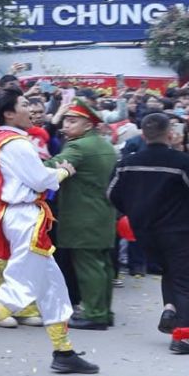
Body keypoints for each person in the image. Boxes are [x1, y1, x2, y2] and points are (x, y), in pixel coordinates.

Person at [0, 89, 96, 374]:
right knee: (21, 285)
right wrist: (64, 170)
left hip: (13, 217)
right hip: (26, 217)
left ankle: (63, 351)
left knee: (52, 286)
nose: (31, 110)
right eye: (25, 105)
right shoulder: (18, 143)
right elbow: (42, 180)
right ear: (9, 113)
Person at [109, 112, 189, 354]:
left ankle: (170, 309)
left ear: (143, 135)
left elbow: (112, 194)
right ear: (170, 134)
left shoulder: (127, 163)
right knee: (186, 281)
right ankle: (182, 338)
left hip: (144, 230)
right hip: (178, 229)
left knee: (169, 271)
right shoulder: (182, 162)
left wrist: (133, 210)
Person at [50, 101, 118, 332]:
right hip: (103, 213)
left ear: (88, 124)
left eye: (72, 121)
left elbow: (49, 168)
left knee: (88, 266)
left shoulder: (77, 147)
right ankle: (104, 311)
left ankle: (94, 313)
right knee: (103, 265)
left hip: (82, 215)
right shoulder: (105, 145)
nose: (66, 126)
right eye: (65, 121)